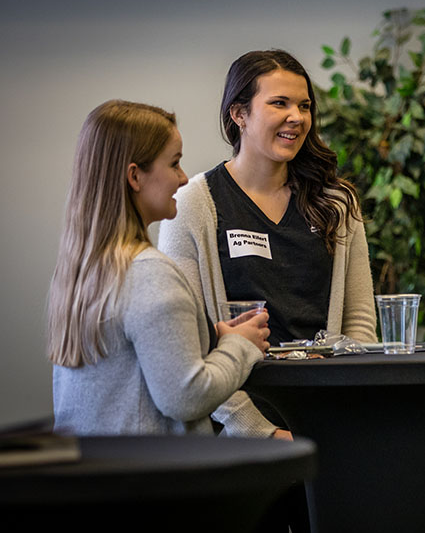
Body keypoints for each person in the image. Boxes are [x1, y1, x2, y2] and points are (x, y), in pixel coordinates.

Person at [159, 49, 376, 533]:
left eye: (304, 106)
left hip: (325, 426)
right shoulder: (194, 203)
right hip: (235, 431)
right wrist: (259, 432)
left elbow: (360, 319)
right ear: (239, 113)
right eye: (280, 103)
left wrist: (348, 411)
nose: (297, 118)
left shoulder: (336, 202)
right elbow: (190, 343)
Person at [50, 100, 269, 436]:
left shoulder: (84, 271)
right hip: (154, 481)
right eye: (175, 163)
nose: (183, 178)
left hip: (97, 478)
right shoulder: (149, 273)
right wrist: (241, 346)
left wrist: (213, 339)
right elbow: (185, 397)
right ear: (135, 176)